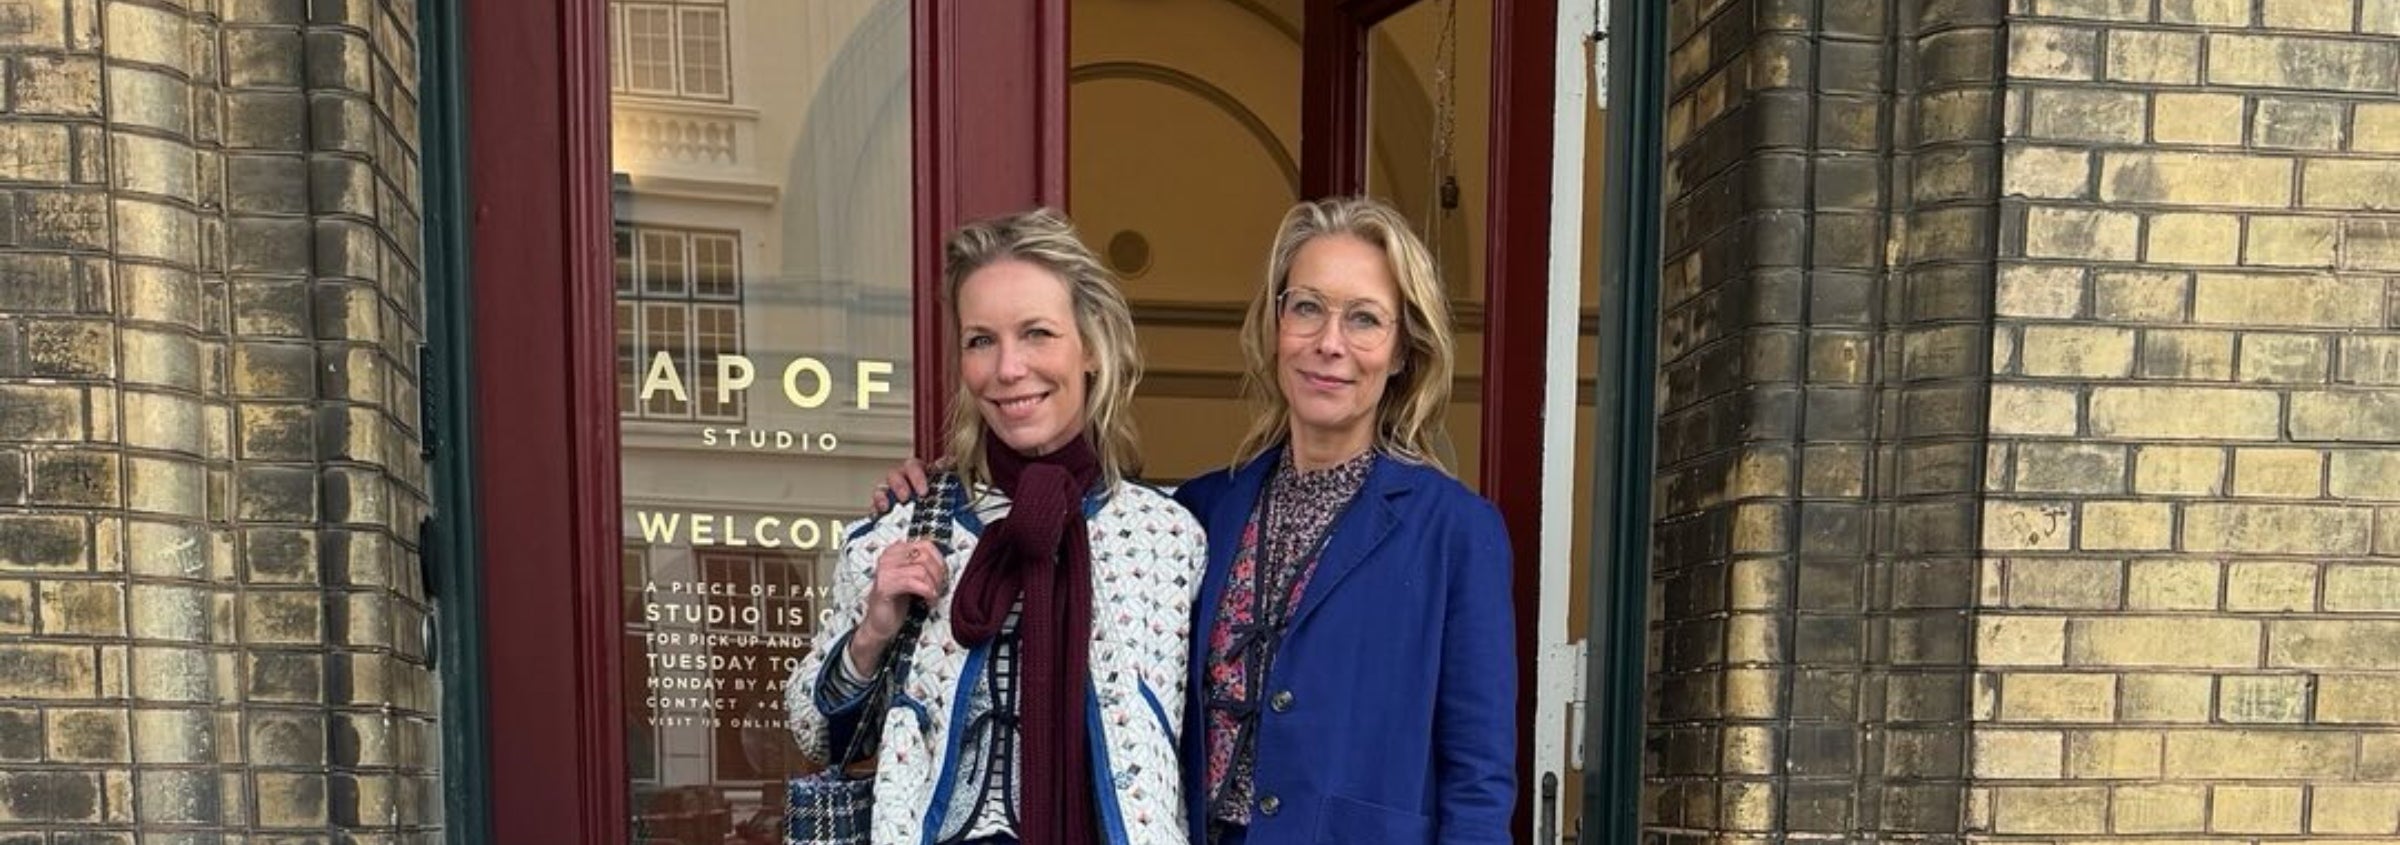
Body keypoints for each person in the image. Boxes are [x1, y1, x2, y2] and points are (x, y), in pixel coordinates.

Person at [874, 197, 1517, 844]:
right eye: (1307, 308)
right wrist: (932, 492)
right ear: (1275, 325)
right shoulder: (1200, 513)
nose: (1329, 342)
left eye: (1365, 319)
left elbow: (1479, 780)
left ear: (1403, 349)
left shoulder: (1456, 532)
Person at [788, 209, 1207, 845]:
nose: (1008, 369)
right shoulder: (903, 532)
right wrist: (874, 631)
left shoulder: (1168, 540)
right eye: (981, 340)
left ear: (1091, 348)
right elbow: (814, 732)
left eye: (1037, 333)